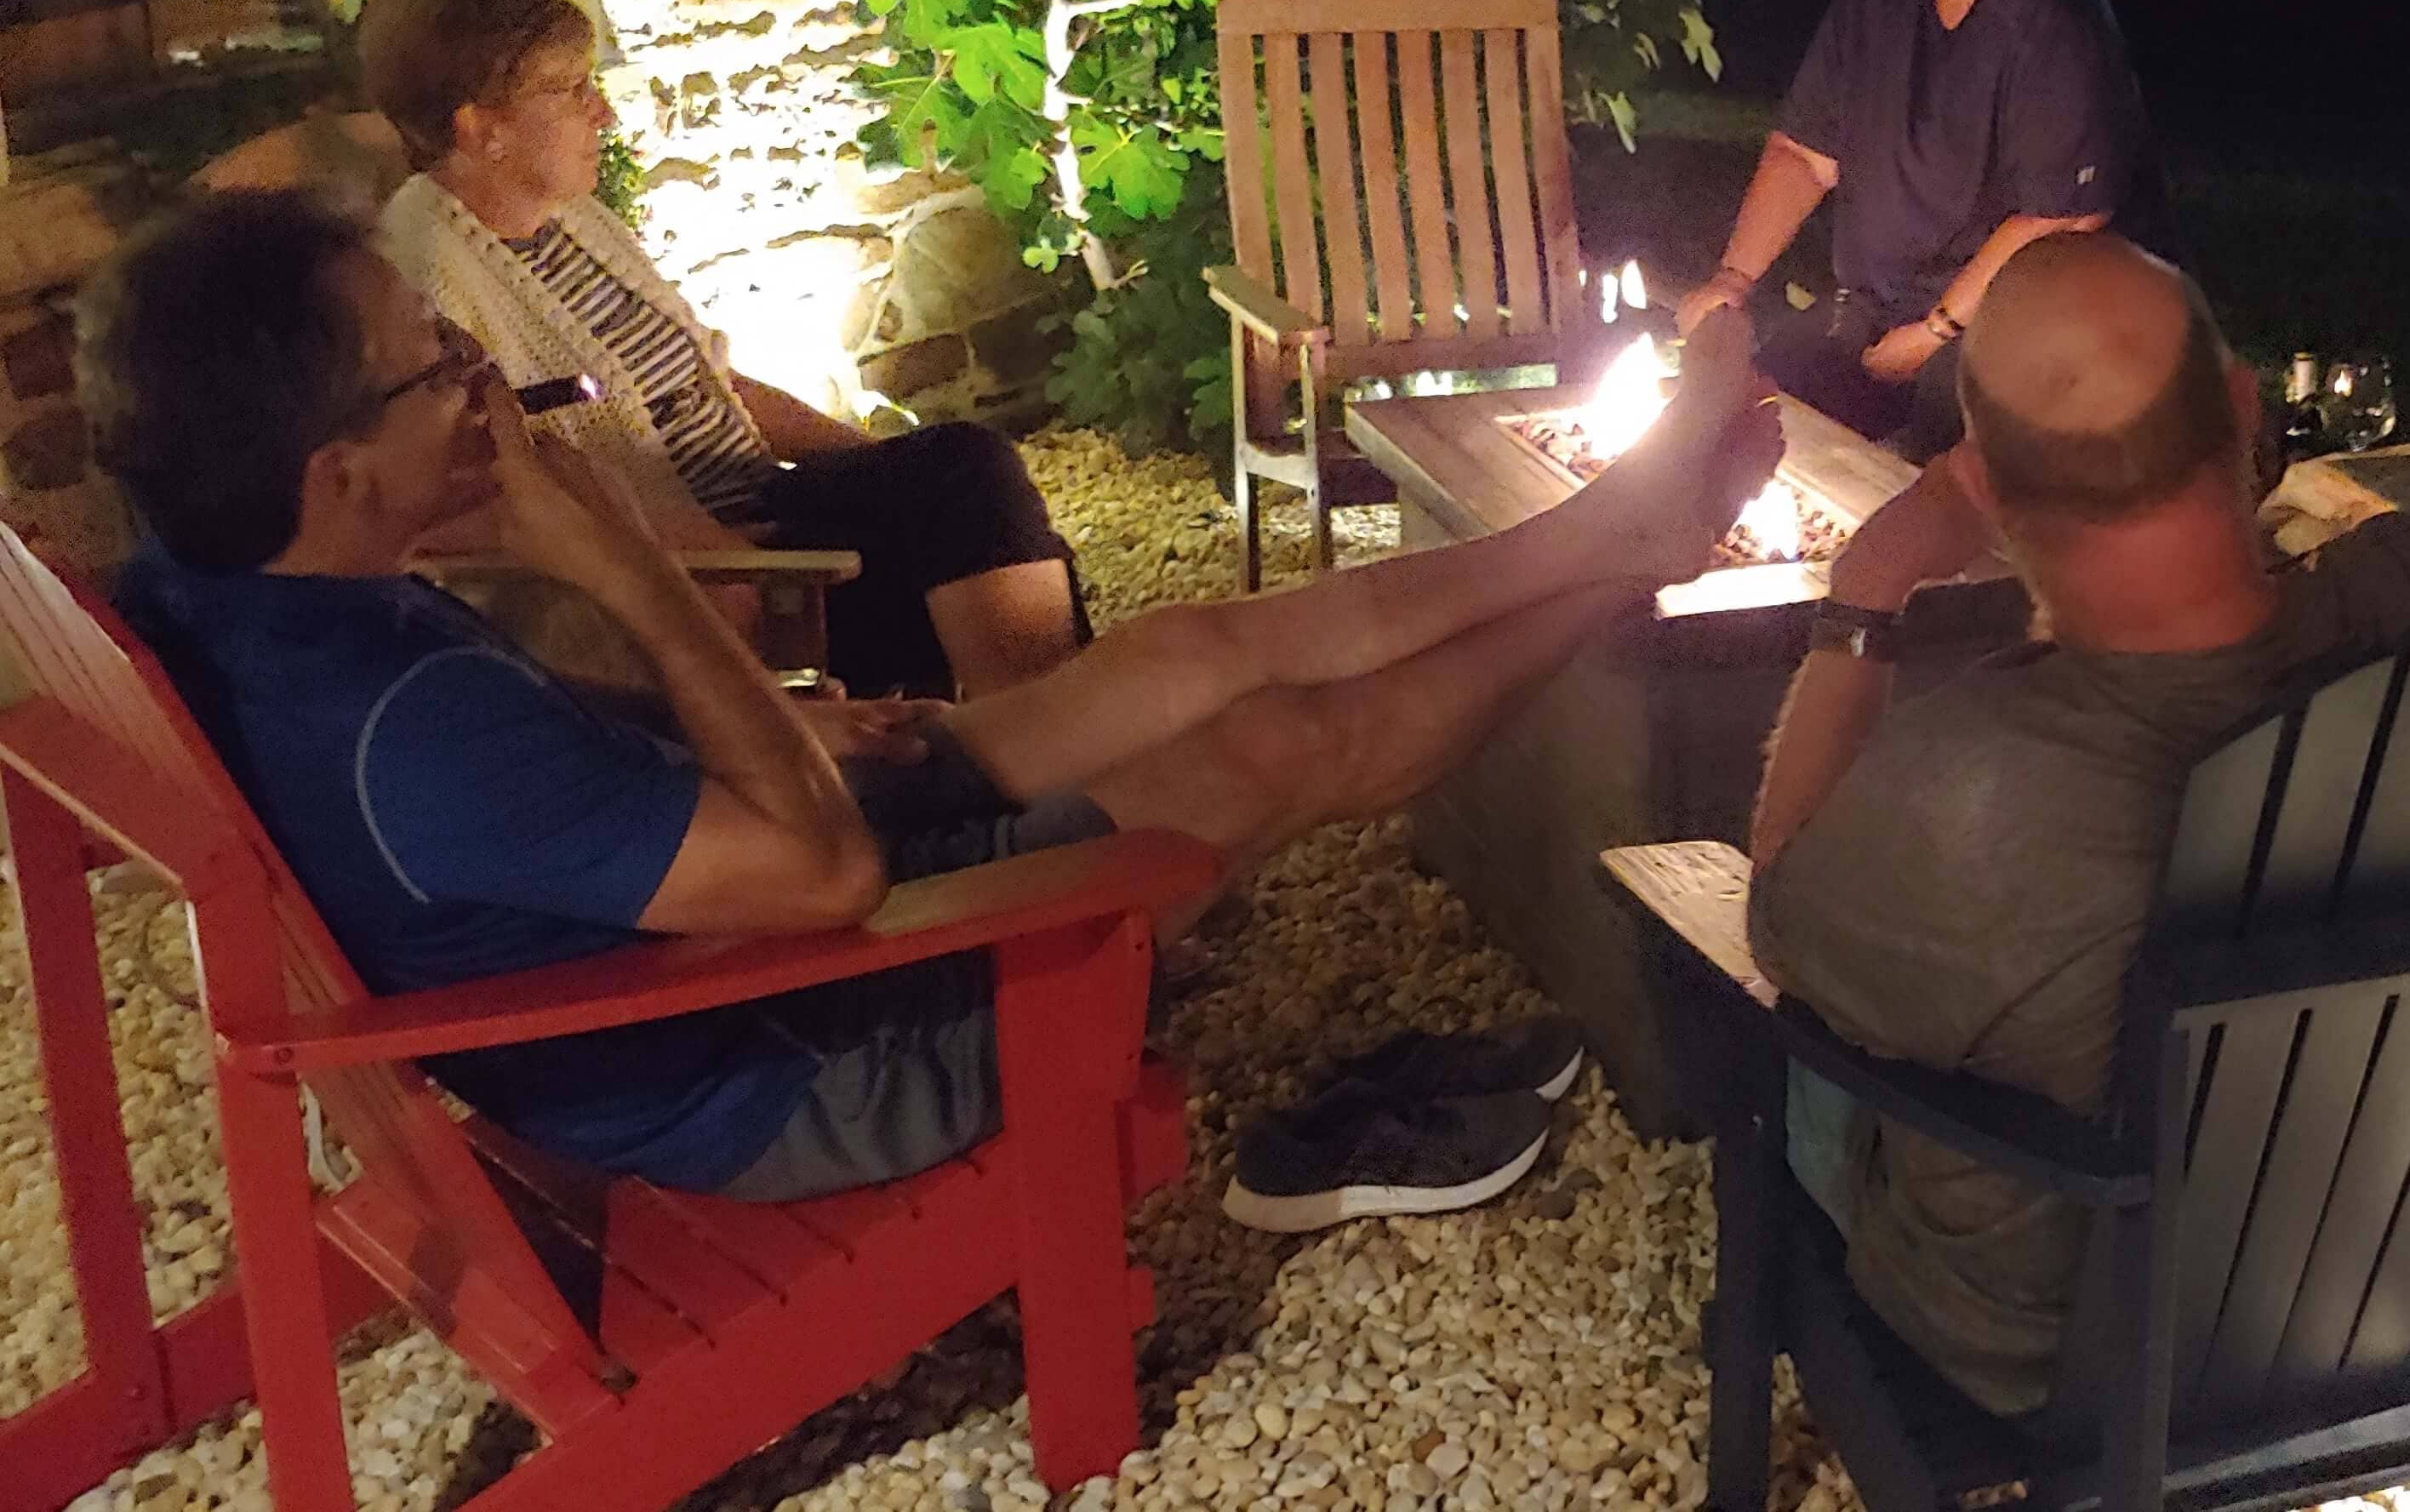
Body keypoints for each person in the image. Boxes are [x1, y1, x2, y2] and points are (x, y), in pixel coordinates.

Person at [77, 188, 1779, 1204]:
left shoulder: (229, 588)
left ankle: (1610, 523)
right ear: (335, 466)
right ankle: (1636, 561)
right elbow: (817, 884)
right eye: (431, 364)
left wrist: (769, 728)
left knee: (1185, 649)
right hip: (793, 1043)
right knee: (1272, 742)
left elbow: (553, 813)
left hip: (702, 899)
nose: (478, 385)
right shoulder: (404, 731)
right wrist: (613, 558)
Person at [1741, 231, 2410, 1415]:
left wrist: (1866, 590)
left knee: (1803, 1014)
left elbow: (1773, 918)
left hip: (2072, 1367)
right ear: (2242, 408)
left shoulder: (1976, 794)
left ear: (1992, 495)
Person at [357, 0, 1082, 701]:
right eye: (570, 89)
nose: (601, 114)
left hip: (756, 504)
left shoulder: (570, 225)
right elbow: (483, 496)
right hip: (710, 574)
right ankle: (1031, 740)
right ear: (481, 128)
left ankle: (1038, 728)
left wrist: (886, 465)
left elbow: (709, 382)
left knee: (964, 470)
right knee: (970, 515)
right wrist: (713, 559)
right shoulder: (427, 277)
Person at [1673, 0, 2164, 460]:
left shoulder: (2051, 19)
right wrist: (1732, 278)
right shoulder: (1874, 1)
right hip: (1878, 310)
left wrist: (1932, 333)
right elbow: (1803, 156)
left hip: (2022, 329)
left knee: (1922, 449)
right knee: (1751, 405)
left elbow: (2062, 217)